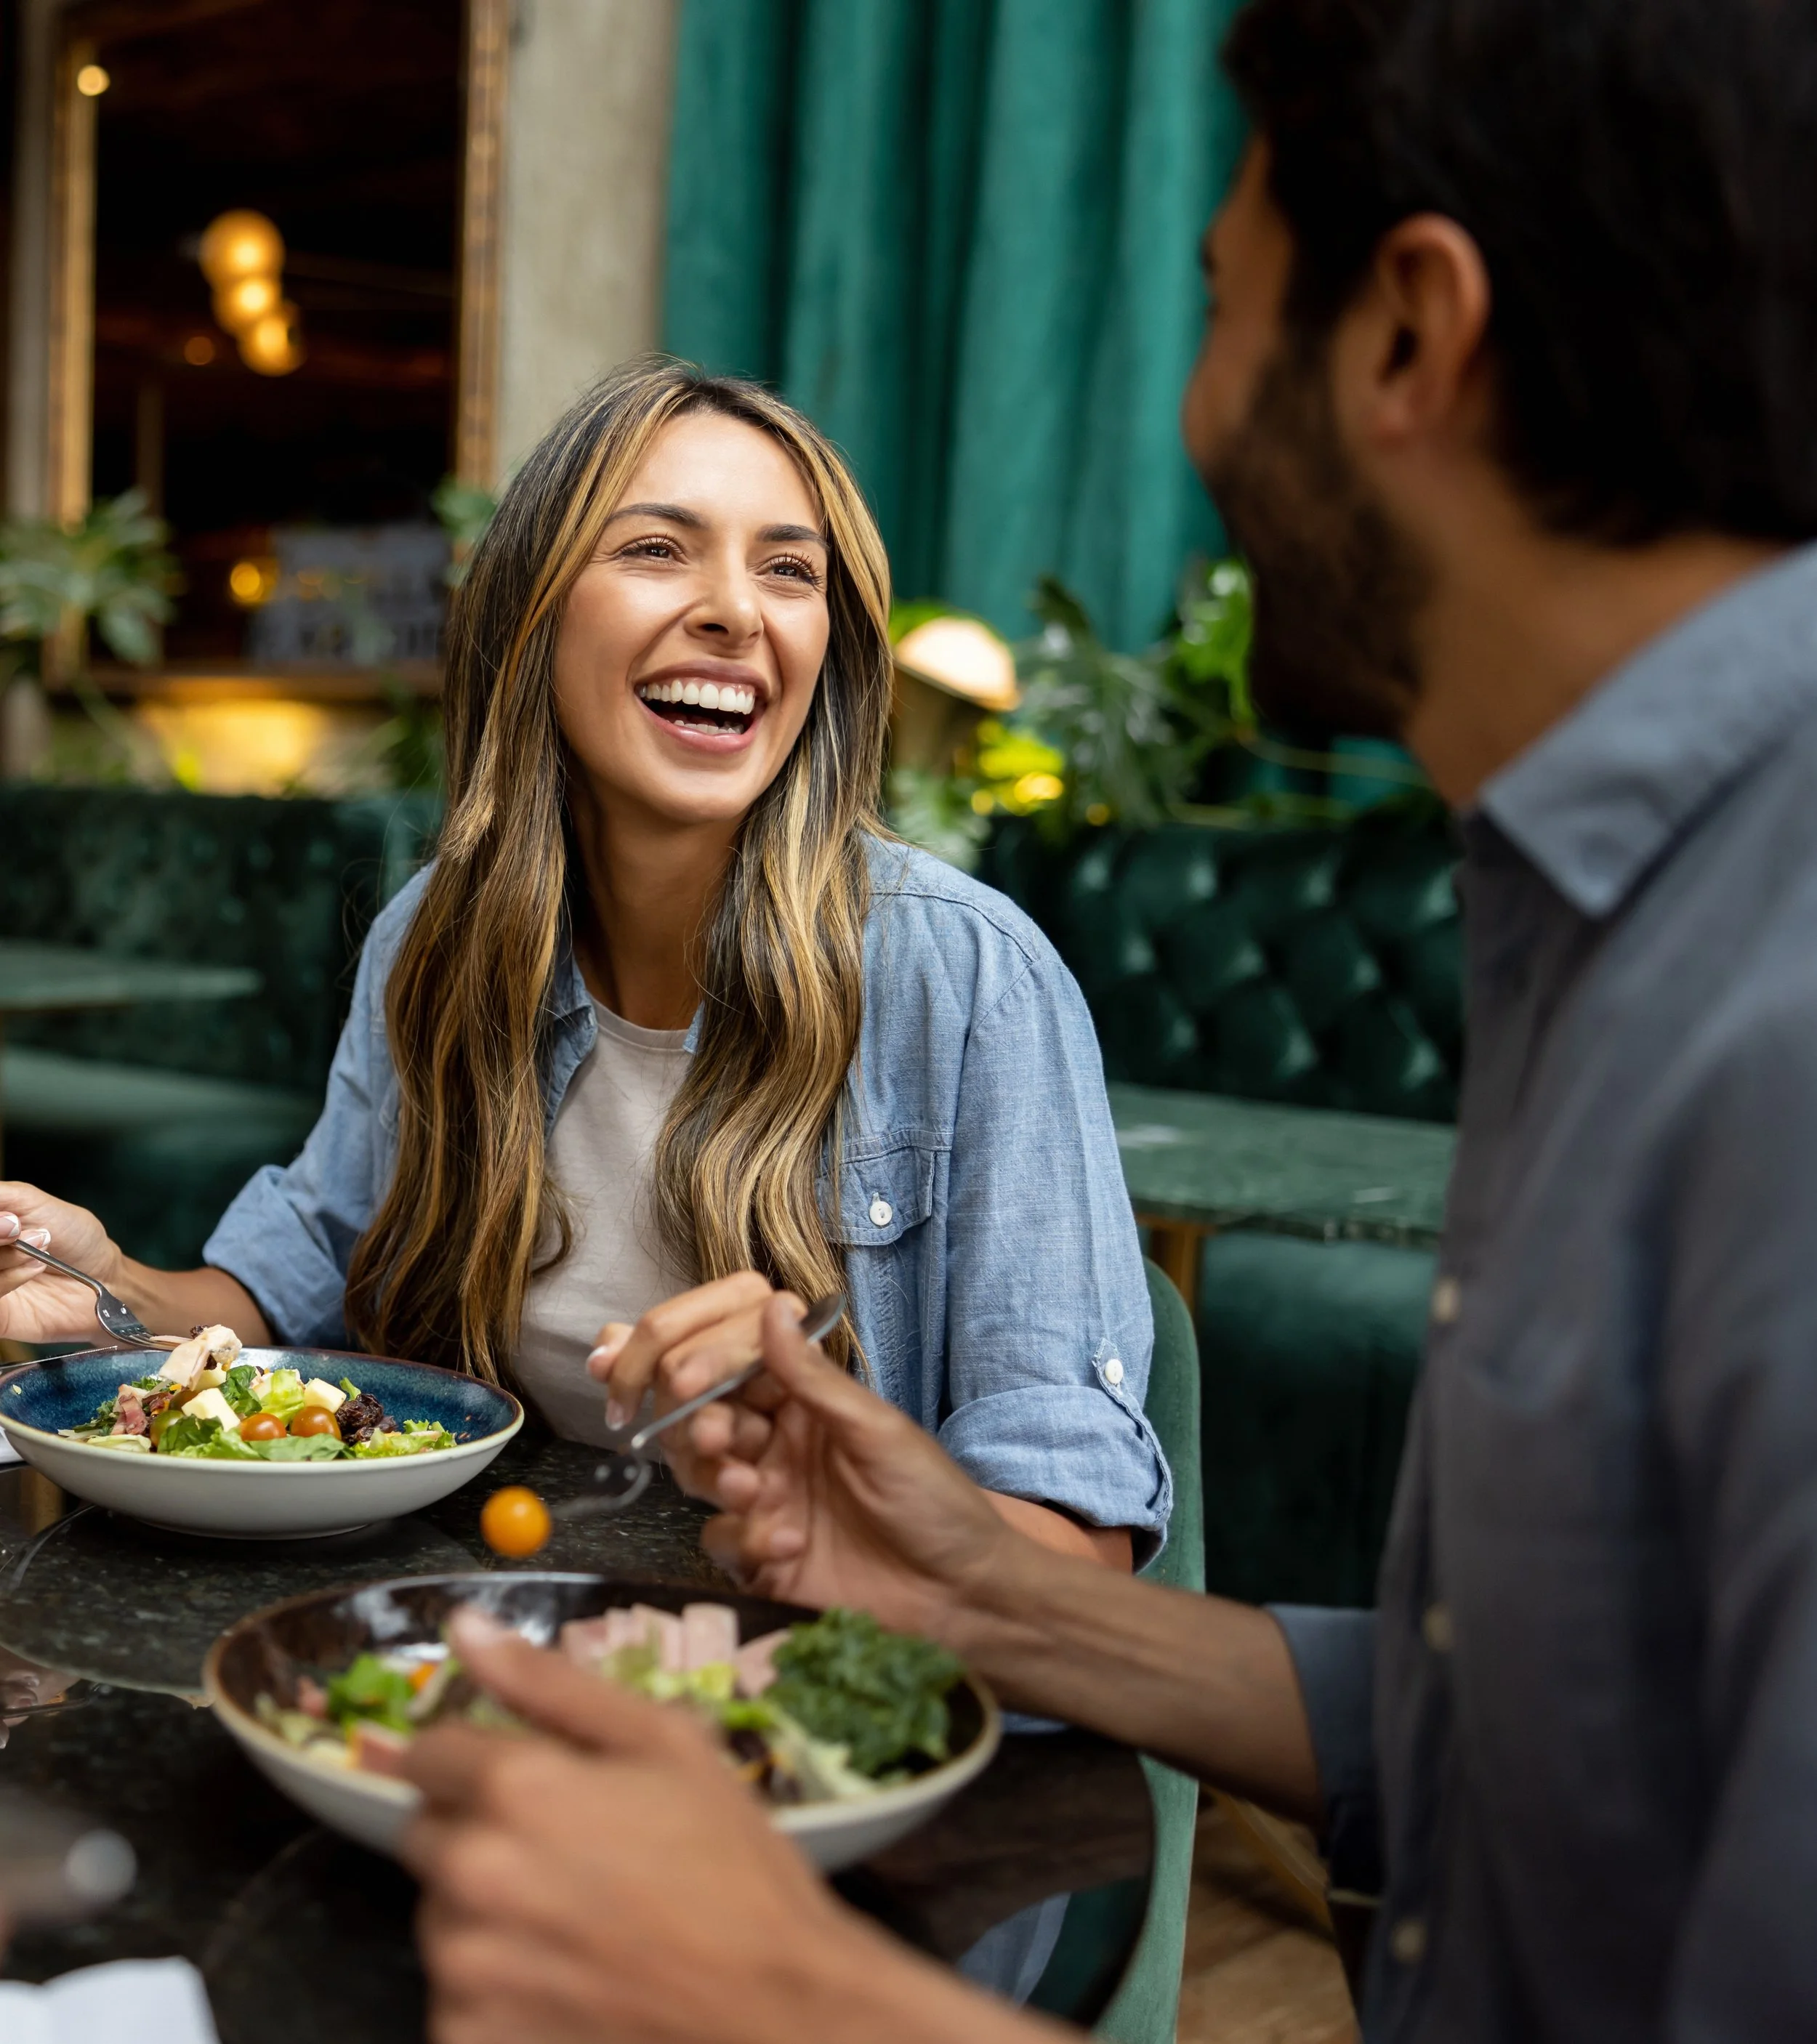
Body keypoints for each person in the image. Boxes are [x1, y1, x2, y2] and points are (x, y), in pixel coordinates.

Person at [395, 0, 1817, 2036]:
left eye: (1221, 305)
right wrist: (980, 1586)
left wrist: (800, 1997)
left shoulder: (1766, 1010)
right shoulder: (1596, 904)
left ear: (1406, 336)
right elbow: (1529, 1752)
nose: (1191, 413)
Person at [0, 361, 1164, 1581]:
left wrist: (834, 1488)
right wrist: (107, 1293)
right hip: (484, 1621)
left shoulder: (968, 980)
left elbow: (1077, 1546)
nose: (737, 611)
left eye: (788, 569)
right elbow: (300, 1283)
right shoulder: (437, 940)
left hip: (816, 1686)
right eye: (659, 549)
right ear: (533, 616)